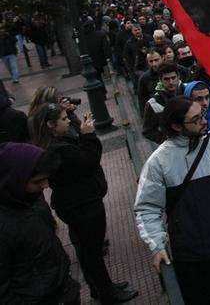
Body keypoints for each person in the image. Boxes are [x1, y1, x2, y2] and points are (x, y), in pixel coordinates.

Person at [134, 96, 210, 305]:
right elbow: (147, 208)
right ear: (176, 126)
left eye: (202, 115)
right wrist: (157, 244)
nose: (204, 121)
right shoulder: (158, 162)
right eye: (196, 119)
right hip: (190, 258)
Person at [29, 104, 138, 304]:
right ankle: (107, 293)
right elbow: (89, 159)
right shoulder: (57, 149)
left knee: (89, 251)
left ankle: (100, 287)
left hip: (78, 203)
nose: (68, 120)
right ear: (51, 125)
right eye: (64, 119)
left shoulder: (54, 143)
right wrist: (89, 136)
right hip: (82, 206)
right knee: (93, 252)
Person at [0, 143, 80, 304]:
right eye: (38, 181)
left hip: (60, 291)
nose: (46, 185)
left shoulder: (25, 202)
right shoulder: (5, 225)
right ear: (14, 180)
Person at [142, 62, 185, 143]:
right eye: (166, 79)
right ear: (160, 79)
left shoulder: (189, 90)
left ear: (178, 76)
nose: (171, 82)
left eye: (173, 77)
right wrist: (167, 140)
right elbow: (148, 131)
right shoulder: (153, 103)